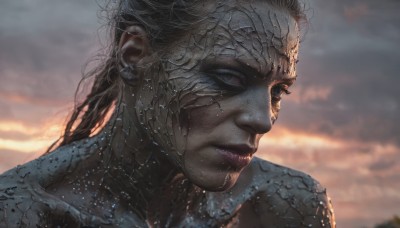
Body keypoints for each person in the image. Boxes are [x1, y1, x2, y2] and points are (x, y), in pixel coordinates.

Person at [0, 0, 336, 227]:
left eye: (278, 92)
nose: (262, 120)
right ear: (134, 57)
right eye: (229, 78)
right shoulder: (23, 213)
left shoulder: (285, 206)